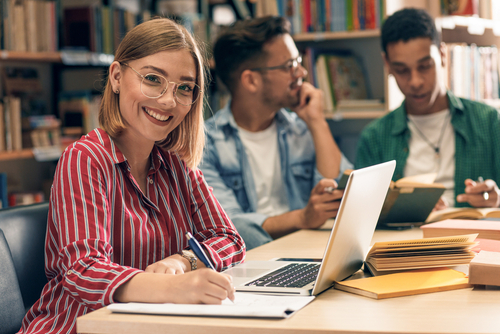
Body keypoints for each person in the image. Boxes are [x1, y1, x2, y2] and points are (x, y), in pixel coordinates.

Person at [18, 18, 245, 334]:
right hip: (76, 327)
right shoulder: (85, 158)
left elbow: (230, 239)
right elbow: (84, 271)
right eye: (153, 79)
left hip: (147, 325)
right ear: (116, 77)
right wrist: (177, 288)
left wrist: (183, 262)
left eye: (184, 88)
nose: (168, 100)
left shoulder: (177, 164)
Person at [200, 16, 353, 250]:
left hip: (309, 250)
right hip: (249, 259)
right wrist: (303, 218)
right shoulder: (204, 145)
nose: (301, 71)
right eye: (289, 66)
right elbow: (231, 225)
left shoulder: (300, 128)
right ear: (251, 80)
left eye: (298, 61)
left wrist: (317, 122)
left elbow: (341, 194)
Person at [355, 7, 500, 210]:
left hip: (472, 238)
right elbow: (360, 212)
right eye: (402, 70)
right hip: (403, 240)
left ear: (441, 54)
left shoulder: (489, 121)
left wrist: (497, 199)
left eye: (425, 66)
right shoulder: (375, 138)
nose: (415, 82)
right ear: (387, 64)